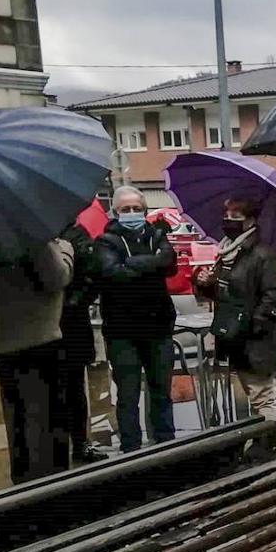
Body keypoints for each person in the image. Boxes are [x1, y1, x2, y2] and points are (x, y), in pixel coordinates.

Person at [194, 193, 276, 462]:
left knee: (262, 393)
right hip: (233, 336)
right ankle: (257, 436)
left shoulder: (263, 255)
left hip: (255, 338)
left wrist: (253, 326)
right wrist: (207, 283)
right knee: (250, 391)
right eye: (227, 216)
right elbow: (227, 293)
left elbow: (273, 297)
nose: (229, 221)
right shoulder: (227, 251)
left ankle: (267, 442)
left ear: (251, 221)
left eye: (236, 216)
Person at [0, 238, 73, 483]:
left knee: (17, 421)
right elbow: (56, 278)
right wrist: (67, 252)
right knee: (48, 425)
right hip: (39, 339)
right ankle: (51, 493)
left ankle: (23, 484)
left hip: (2, 343)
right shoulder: (33, 237)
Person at [94, 185, 177, 454]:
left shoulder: (157, 234)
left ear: (145, 210)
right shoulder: (105, 241)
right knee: (128, 395)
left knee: (161, 392)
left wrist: (131, 263)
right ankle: (131, 448)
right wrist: (151, 263)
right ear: (116, 212)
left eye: (136, 208)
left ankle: (165, 443)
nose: (132, 213)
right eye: (125, 209)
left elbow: (170, 264)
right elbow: (112, 273)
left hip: (158, 326)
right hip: (122, 331)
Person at [57, 221, 107, 464]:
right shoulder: (30, 233)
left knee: (75, 389)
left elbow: (93, 274)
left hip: (72, 322)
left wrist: (76, 301)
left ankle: (80, 443)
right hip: (39, 325)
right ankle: (55, 448)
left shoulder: (77, 235)